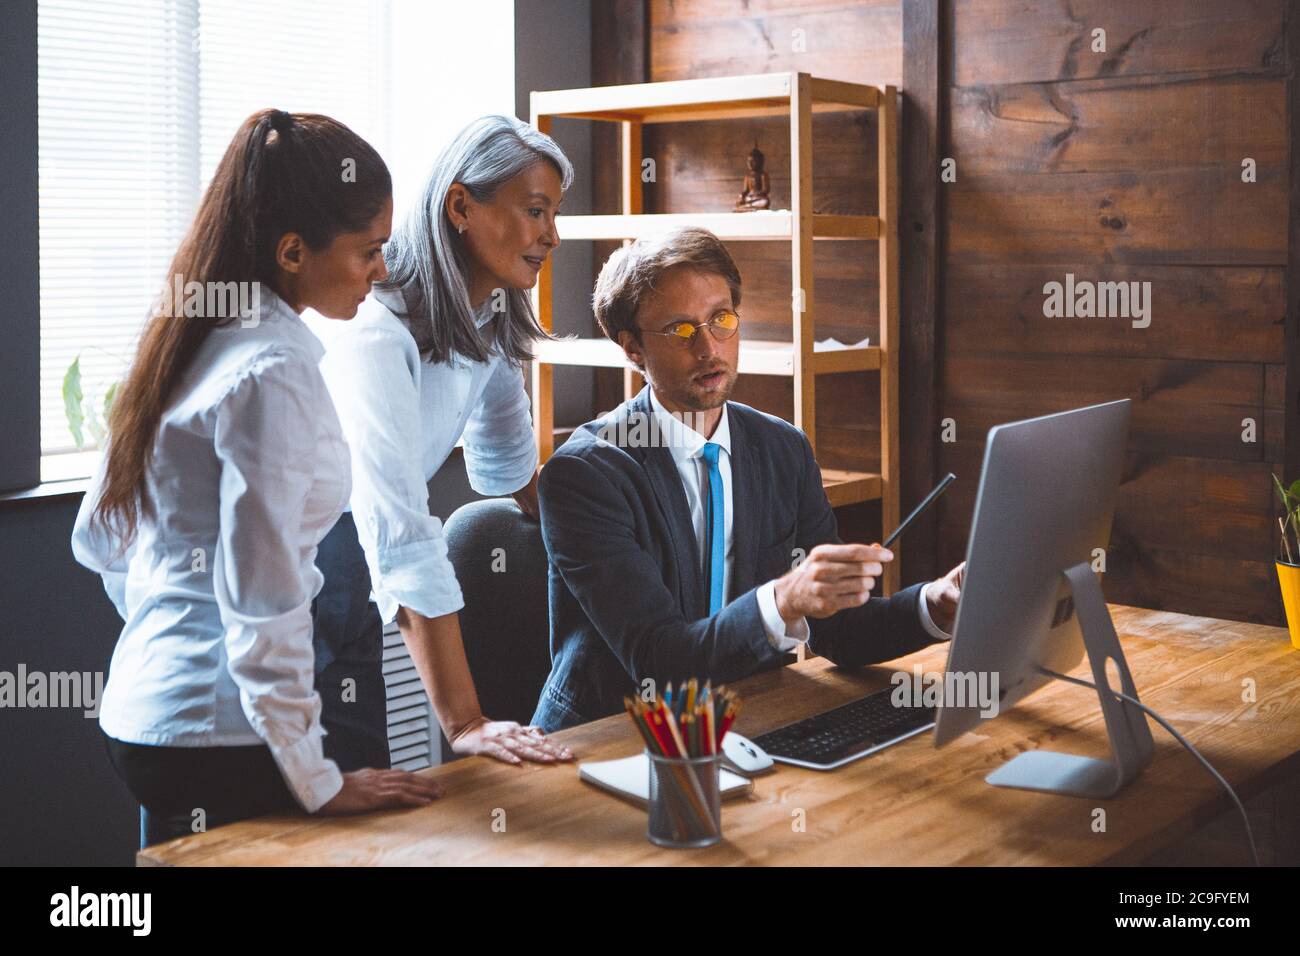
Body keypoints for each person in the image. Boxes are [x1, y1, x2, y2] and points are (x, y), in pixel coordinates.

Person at [72, 109, 439, 848]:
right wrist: (318, 778)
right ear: (294, 250)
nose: (383, 271)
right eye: (368, 251)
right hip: (222, 741)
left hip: (147, 716)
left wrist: (178, 625)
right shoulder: (275, 372)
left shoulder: (190, 339)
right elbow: (263, 597)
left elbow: (100, 540)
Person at [531, 227, 966, 731]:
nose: (709, 348)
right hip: (613, 735)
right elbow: (660, 662)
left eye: (721, 319)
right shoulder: (585, 475)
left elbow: (840, 633)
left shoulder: (783, 448)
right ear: (632, 348)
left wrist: (935, 604)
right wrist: (785, 599)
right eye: (681, 330)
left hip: (753, 716)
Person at [303, 115, 574, 768]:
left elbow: (508, 462)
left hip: (356, 561)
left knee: (362, 782)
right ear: (461, 206)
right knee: (318, 798)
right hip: (304, 570)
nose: (553, 237)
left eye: (555, 215)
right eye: (537, 211)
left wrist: (597, 544)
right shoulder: (375, 333)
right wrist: (467, 723)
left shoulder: (487, 314)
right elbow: (398, 529)